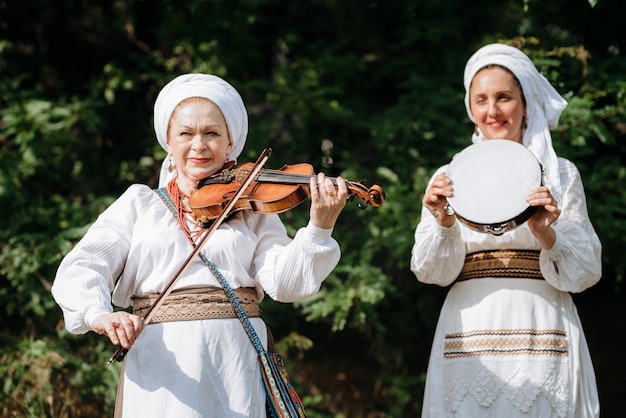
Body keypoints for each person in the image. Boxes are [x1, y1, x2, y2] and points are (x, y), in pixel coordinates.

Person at [51, 73, 348, 417]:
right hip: (164, 366)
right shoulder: (140, 203)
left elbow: (286, 283)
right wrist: (99, 314)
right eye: (186, 133)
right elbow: (84, 265)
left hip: (235, 362)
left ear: (230, 143)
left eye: (211, 133)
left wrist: (319, 228)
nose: (198, 145)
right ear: (168, 141)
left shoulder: (252, 210)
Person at [411, 43, 602, 418]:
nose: (492, 111)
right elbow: (429, 271)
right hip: (469, 329)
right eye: (481, 99)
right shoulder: (448, 177)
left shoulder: (560, 174)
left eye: (504, 98)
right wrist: (444, 222)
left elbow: (586, 273)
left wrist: (548, 234)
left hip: (541, 324)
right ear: (470, 108)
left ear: (526, 103)